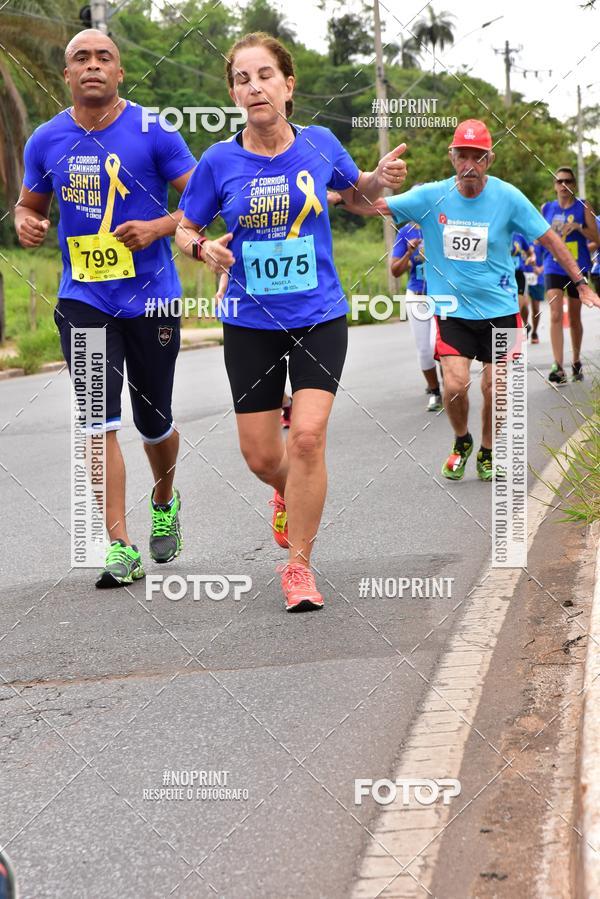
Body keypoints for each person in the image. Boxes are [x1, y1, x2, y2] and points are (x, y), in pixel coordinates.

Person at [175, 31, 406, 611]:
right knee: (260, 455)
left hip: (318, 313)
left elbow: (357, 197)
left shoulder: (321, 143)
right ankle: (286, 492)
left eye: (264, 75)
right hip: (250, 320)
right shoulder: (218, 161)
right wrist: (205, 252)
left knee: (305, 437)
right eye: (242, 79)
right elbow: (185, 229)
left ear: (288, 84)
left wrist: (379, 179)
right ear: (233, 93)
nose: (254, 87)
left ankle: (298, 567)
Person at [15, 30, 196, 587]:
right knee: (98, 422)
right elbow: (29, 203)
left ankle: (164, 497)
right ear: (66, 75)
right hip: (83, 299)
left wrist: (158, 226)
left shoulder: (154, 132)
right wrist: (26, 221)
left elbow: (198, 206)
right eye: (80, 59)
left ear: (119, 72)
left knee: (154, 420)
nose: (92, 66)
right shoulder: (46, 140)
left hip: (152, 297)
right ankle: (119, 545)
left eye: (104, 58)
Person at [342, 119, 600, 480]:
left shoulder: (508, 197)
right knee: (455, 385)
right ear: (452, 157)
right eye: (462, 156)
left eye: (477, 158)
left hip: (502, 310)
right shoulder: (430, 196)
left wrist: (581, 282)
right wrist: (337, 194)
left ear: (489, 161)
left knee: (496, 386)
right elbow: (373, 205)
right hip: (452, 310)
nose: (469, 166)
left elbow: (549, 240)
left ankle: (488, 449)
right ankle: (462, 440)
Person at [541, 166, 598, 383]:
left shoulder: (583, 206)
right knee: (555, 314)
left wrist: (579, 228)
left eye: (568, 181)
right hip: (553, 266)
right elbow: (538, 237)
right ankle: (558, 366)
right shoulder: (547, 208)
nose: (563, 185)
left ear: (573, 185)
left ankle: (575, 361)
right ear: (554, 185)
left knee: (574, 318)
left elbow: (597, 239)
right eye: (559, 181)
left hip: (577, 267)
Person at [391, 221, 442, 411]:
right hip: (417, 296)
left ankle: (450, 384)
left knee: (437, 344)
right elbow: (395, 270)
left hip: (442, 296)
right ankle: (436, 392)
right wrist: (408, 253)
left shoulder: (441, 225)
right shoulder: (406, 232)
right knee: (425, 349)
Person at [511, 231, 533, 334]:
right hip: (503, 276)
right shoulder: (496, 231)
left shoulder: (519, 236)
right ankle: (524, 325)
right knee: (507, 310)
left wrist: (531, 258)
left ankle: (515, 344)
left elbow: (530, 253)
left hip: (518, 275)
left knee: (517, 309)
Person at [525, 240, 545, 344]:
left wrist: (540, 269)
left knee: (536, 308)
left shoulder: (540, 236)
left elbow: (549, 257)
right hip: (521, 275)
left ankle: (534, 332)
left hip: (536, 277)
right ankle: (525, 325)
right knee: (522, 305)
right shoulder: (519, 236)